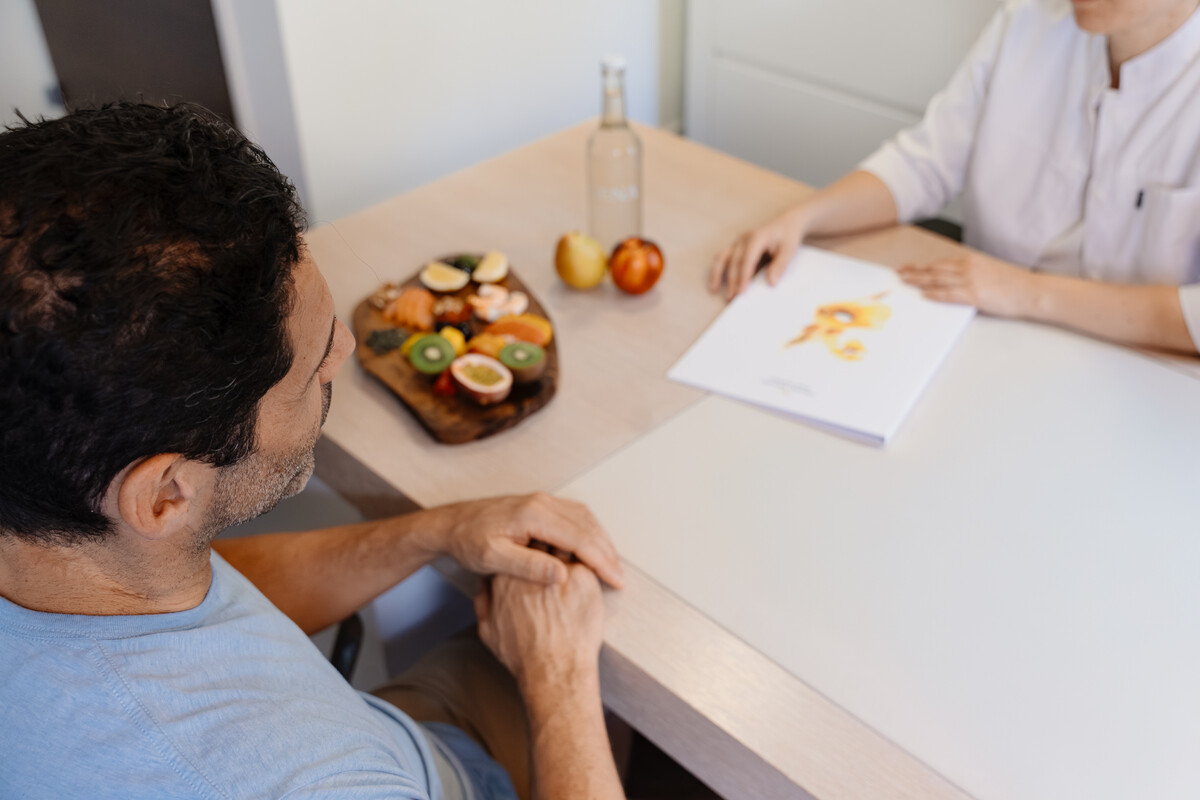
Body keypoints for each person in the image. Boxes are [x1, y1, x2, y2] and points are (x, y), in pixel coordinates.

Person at [0, 102, 627, 800]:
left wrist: (436, 531)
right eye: (311, 368)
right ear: (165, 494)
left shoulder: (76, 553)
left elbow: (212, 597)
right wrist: (561, 681)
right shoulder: (295, 781)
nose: (347, 352)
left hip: (395, 731)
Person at [710, 0, 1200, 356]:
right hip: (978, 341)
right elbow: (925, 163)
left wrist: (1024, 292)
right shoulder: (1027, 22)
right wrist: (803, 217)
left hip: (1138, 375)